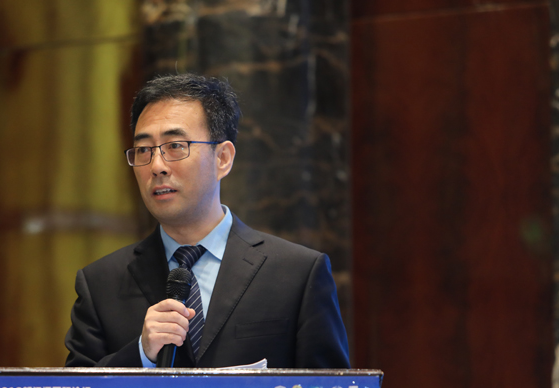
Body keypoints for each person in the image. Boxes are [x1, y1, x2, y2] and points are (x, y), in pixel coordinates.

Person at [64, 73, 349, 369]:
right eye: (144, 150)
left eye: (175, 146)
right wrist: (142, 354)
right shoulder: (101, 284)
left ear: (222, 158)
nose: (157, 166)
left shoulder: (297, 274)